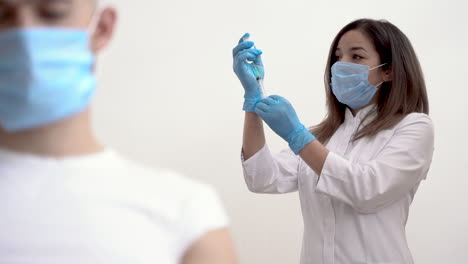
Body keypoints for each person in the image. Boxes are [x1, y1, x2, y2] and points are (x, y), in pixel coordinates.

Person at [0, 1, 237, 263]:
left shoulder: (186, 214)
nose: (23, 34)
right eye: (2, 15)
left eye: (53, 12)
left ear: (101, 28)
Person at [233, 19, 434, 264]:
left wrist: (297, 135)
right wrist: (254, 98)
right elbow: (262, 178)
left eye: (357, 57)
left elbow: (367, 190)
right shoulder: (322, 136)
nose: (341, 65)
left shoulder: (413, 128)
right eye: (338, 57)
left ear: (388, 70)